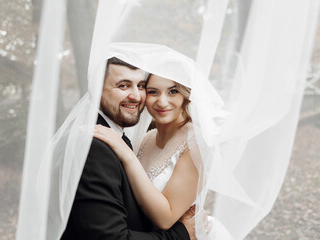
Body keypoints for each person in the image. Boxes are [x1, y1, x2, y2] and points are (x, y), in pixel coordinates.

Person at [60, 57, 195, 240]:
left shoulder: (192, 143)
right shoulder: (97, 145)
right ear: (96, 90)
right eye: (123, 86)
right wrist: (181, 235)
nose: (136, 96)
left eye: (140, 86)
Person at [93, 71, 226, 239]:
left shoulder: (196, 144)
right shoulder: (147, 138)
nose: (162, 102)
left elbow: (166, 219)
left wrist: (127, 155)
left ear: (187, 96)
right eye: (153, 92)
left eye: (173, 91)